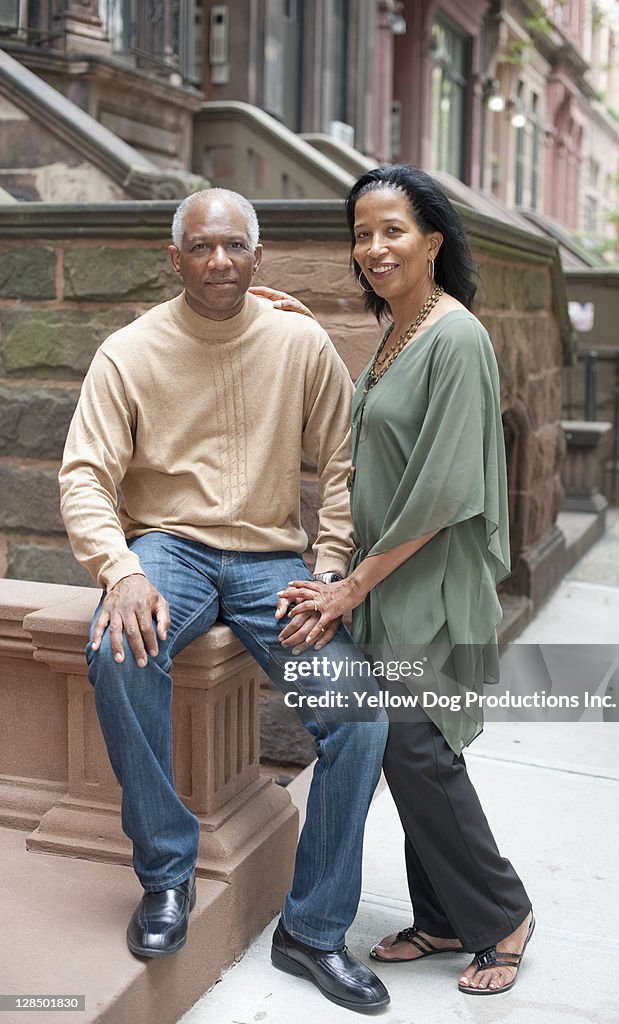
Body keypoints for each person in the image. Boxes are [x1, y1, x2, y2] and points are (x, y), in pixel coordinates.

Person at [58, 187, 390, 1014]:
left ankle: (311, 931)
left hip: (271, 558)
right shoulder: (128, 351)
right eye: (202, 248)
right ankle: (166, 875)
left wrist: (331, 563)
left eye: (234, 246)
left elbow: (343, 461)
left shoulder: (298, 341)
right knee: (116, 649)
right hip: (166, 547)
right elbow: (84, 476)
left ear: (257, 257)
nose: (219, 261)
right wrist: (120, 571)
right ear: (174, 259)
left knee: (360, 714)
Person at [277, 165, 534, 996]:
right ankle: (442, 916)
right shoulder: (398, 329)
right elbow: (372, 424)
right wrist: (297, 321)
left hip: (428, 577)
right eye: (361, 232)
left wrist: (351, 587)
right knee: (401, 747)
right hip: (388, 577)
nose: (373, 246)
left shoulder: (456, 337)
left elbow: (441, 491)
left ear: (432, 238)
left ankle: (501, 915)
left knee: (420, 747)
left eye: (391, 229)